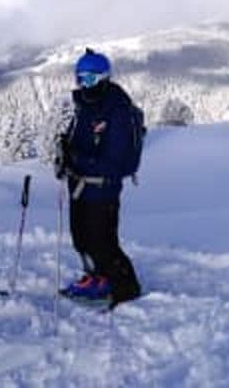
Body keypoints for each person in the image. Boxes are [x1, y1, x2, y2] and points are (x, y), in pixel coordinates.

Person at [57, 48, 141, 307]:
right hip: (80, 186)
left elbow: (115, 162)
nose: (84, 85)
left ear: (104, 78)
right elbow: (77, 144)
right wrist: (64, 154)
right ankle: (96, 278)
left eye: (90, 79)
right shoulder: (84, 107)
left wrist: (76, 159)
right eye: (79, 78)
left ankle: (126, 290)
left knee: (102, 243)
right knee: (80, 238)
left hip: (102, 190)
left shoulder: (117, 111)